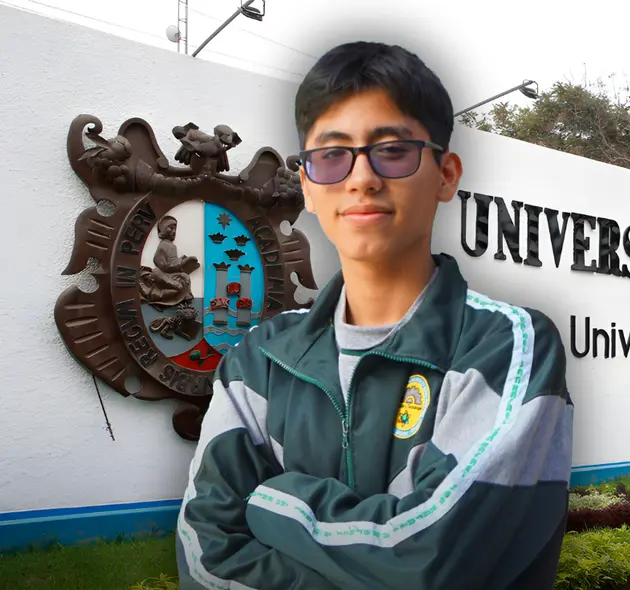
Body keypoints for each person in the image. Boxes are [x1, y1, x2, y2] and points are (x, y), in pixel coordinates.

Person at [176, 40, 574, 590]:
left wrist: (269, 499)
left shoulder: (508, 346)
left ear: (446, 174)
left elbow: (426, 562)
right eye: (331, 155)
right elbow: (206, 558)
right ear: (307, 187)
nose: (361, 178)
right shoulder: (259, 360)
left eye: (393, 150)